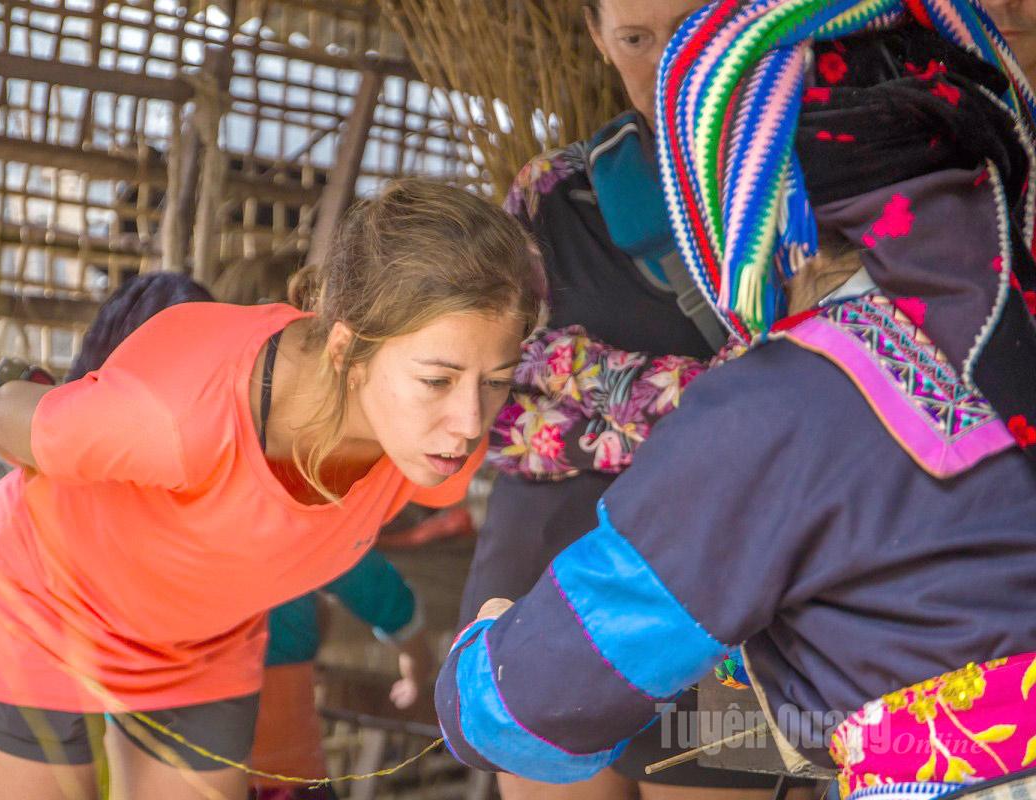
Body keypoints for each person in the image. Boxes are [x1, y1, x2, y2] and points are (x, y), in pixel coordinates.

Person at [437, 3, 1036, 800]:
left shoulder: (784, 401)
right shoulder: (1003, 323)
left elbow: (533, 705)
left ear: (758, 198)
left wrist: (479, 666)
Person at [0, 178, 544, 800]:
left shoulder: (440, 448)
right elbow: (2, 414)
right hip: (36, 612)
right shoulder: (178, 415)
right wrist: (45, 405)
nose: (470, 421)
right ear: (347, 351)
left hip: (200, 650)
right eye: (438, 381)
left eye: (494, 380)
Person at [459, 0, 787, 796]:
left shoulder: (798, 194)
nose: (670, 62)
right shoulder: (555, 197)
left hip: (728, 586)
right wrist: (700, 408)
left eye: (695, 26)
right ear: (597, 38)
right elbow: (496, 406)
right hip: (550, 567)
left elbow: (815, 397)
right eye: (636, 39)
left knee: (711, 775)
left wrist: (575, 375)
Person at [248, 549, 432, 800]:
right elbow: (378, 588)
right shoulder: (295, 531)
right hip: (280, 768)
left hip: (201, 762)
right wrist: (417, 661)